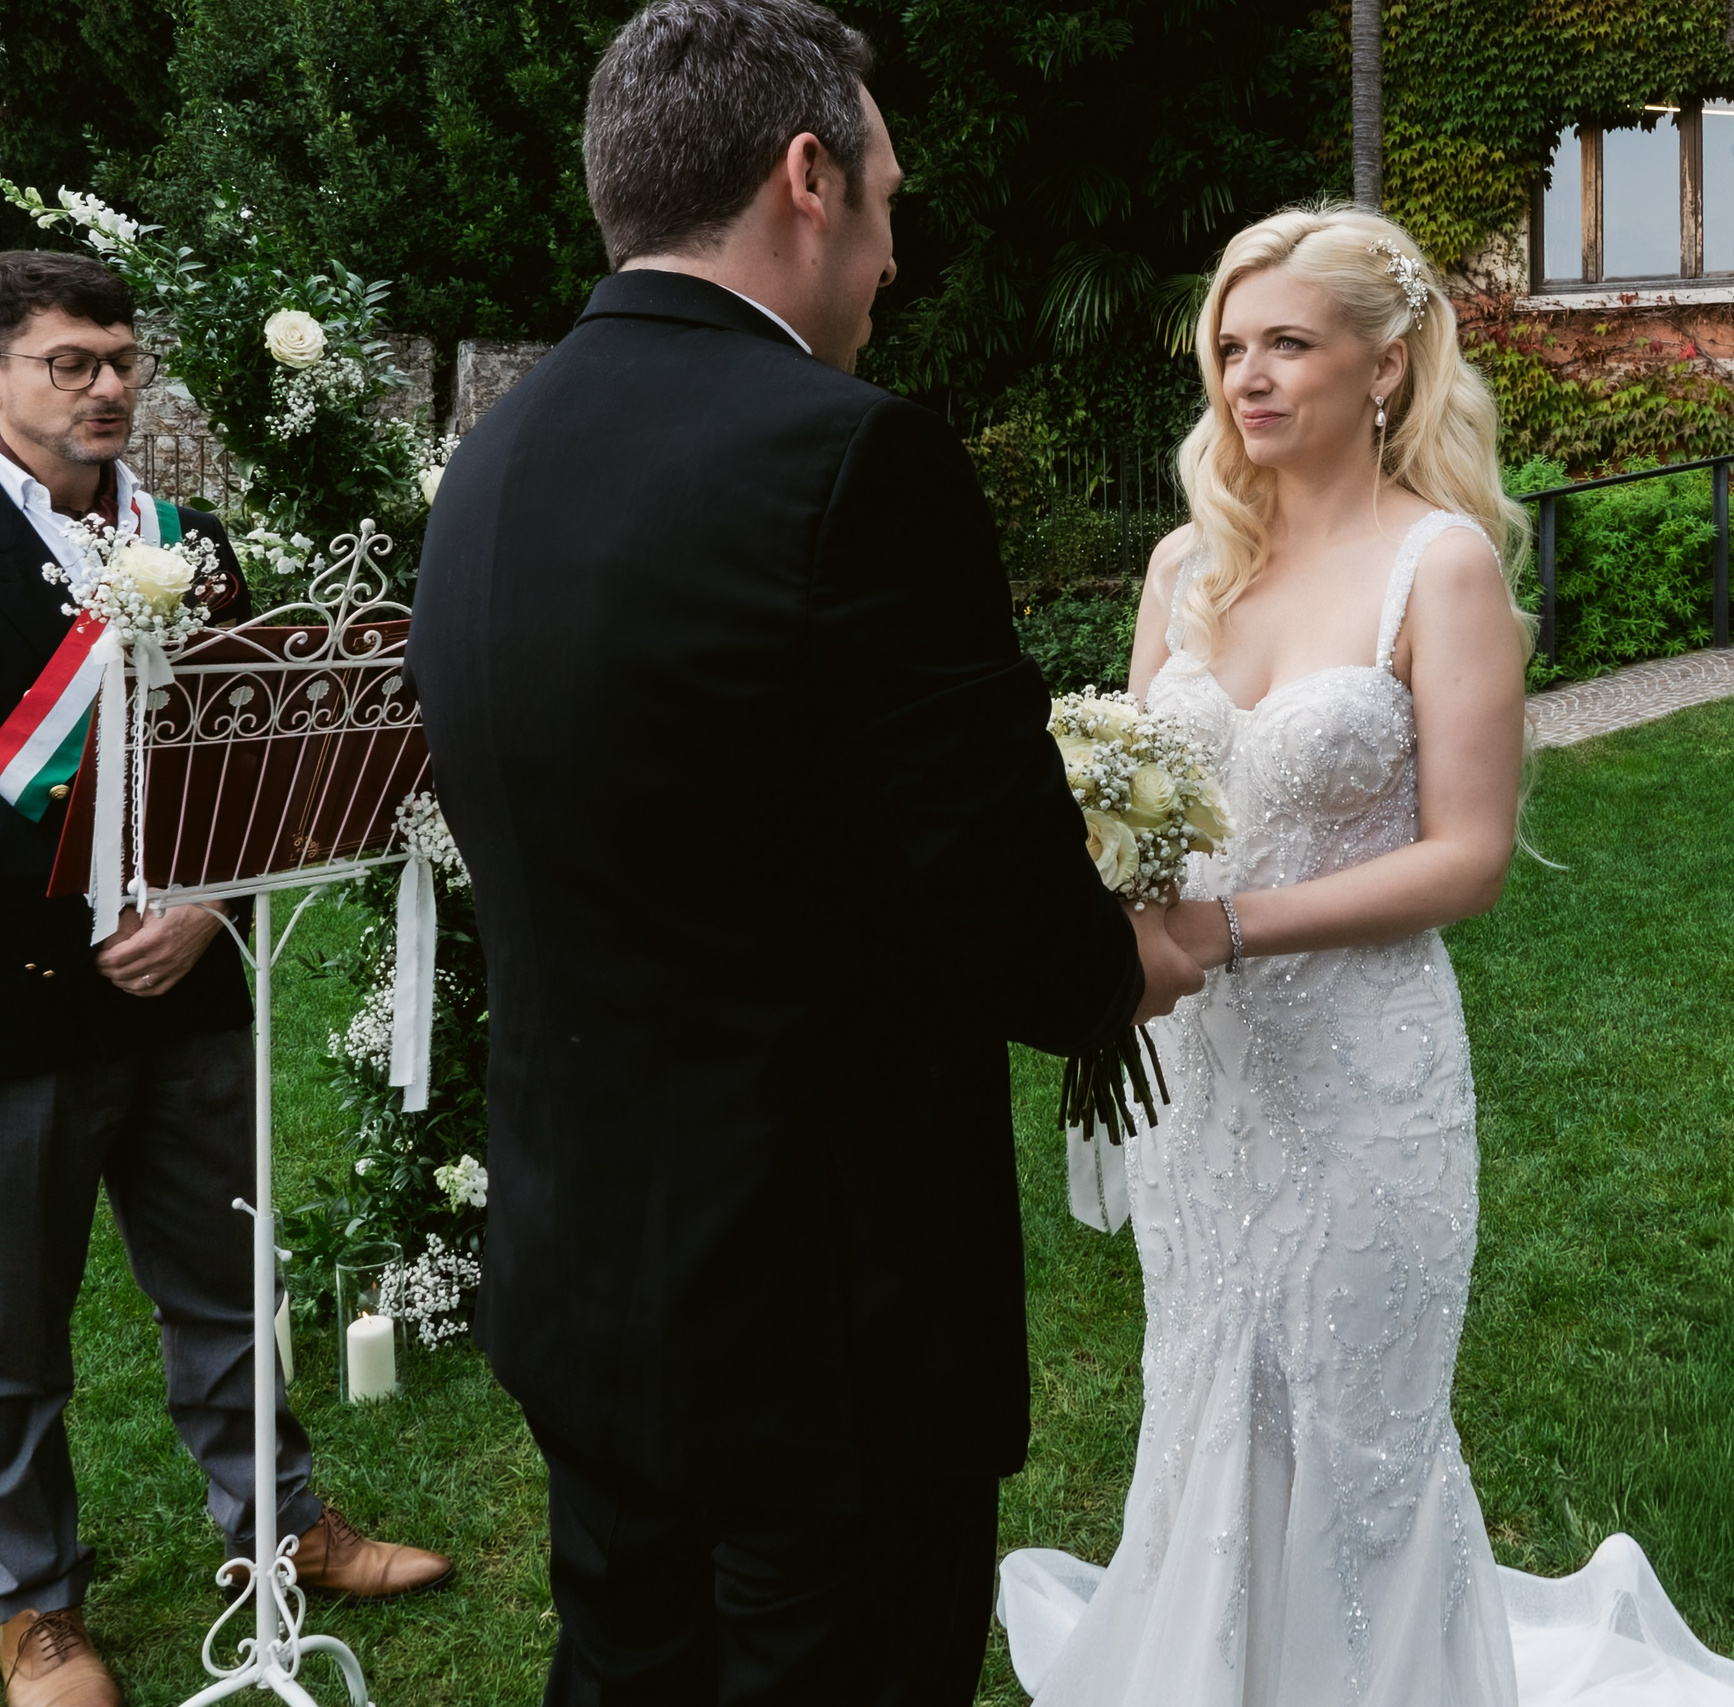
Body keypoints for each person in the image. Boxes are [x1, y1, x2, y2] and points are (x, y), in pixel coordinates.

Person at [407, 2, 1201, 1702]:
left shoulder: (492, 464)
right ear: (807, 175)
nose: (898, 260)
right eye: (894, 202)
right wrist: (1134, 960)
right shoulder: (850, 459)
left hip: (584, 1273)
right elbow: (999, 893)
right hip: (822, 1327)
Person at [992, 207, 1734, 1707]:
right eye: (1231, 348)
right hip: (1204, 1082)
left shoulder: (1436, 568)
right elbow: (1132, 812)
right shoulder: (1187, 564)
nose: (1249, 379)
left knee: (1356, 1426)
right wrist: (1116, 919)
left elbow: (1467, 855)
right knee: (1206, 1396)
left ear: (1385, 367)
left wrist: (1232, 927)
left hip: (1363, 1078)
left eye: (1289, 344)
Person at [0, 251, 450, 1707]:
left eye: (124, 358)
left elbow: (253, 763)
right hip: (15, 1012)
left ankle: (281, 1529)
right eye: (71, 360)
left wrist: (203, 901)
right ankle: (32, 1608)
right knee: (14, 1329)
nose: (110, 386)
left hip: (194, 989)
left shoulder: (190, 537)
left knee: (221, 1288)